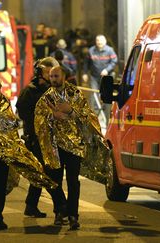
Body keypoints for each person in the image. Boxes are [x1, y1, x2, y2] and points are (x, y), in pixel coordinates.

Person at [0, 73, 56, 231]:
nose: (0, 86)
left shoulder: (3, 100)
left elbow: (9, 120)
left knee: (0, 184)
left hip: (2, 150)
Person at [35, 66, 109, 230]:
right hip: (54, 146)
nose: (53, 79)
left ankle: (73, 216)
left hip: (74, 146)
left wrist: (72, 111)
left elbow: (88, 115)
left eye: (56, 76)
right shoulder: (46, 98)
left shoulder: (75, 94)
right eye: (52, 76)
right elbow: (38, 118)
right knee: (55, 181)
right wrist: (52, 115)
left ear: (64, 77)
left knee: (73, 182)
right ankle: (59, 213)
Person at [16, 57, 68, 223]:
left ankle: (31, 205)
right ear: (41, 74)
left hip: (49, 139)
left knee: (40, 173)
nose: (52, 76)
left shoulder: (46, 90)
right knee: (50, 175)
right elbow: (24, 114)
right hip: (38, 140)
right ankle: (62, 209)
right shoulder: (33, 91)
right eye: (49, 73)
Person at [82, 35, 118, 120]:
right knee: (93, 95)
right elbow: (86, 63)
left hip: (107, 77)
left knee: (106, 96)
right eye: (98, 41)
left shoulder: (110, 50)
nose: (99, 42)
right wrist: (85, 73)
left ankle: (107, 117)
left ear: (105, 42)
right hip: (94, 76)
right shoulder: (91, 51)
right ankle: (93, 117)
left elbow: (114, 61)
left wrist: (107, 69)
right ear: (96, 42)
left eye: (101, 41)